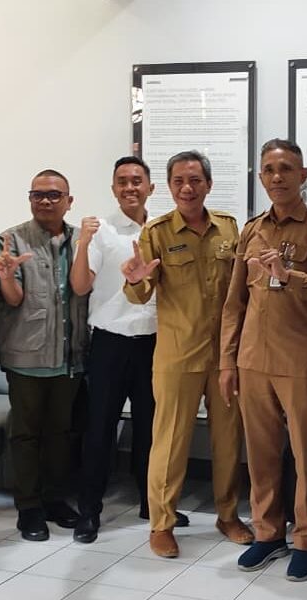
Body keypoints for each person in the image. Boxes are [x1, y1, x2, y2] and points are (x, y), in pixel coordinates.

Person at [220, 138, 307, 581]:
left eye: (287, 169)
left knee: (305, 454)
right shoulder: (252, 230)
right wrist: (227, 361)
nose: (277, 177)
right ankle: (268, 533)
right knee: (260, 454)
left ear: (303, 176)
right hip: (252, 359)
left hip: (298, 360)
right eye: (270, 170)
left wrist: (288, 275)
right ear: (261, 176)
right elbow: (234, 303)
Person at [114, 151, 253, 555]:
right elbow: (140, 293)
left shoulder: (229, 228)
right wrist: (135, 280)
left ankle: (228, 515)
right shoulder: (156, 232)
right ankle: (162, 523)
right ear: (170, 186)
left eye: (195, 180)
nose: (187, 188)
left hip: (225, 357)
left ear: (208, 184)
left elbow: (240, 289)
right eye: (178, 181)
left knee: (228, 441)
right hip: (178, 355)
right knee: (170, 441)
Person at [72, 155, 184, 543]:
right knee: (99, 429)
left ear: (150, 187)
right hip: (110, 343)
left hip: (154, 344)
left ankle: (152, 504)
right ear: (113, 188)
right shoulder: (101, 231)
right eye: (122, 181)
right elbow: (80, 286)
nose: (129, 187)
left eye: (137, 181)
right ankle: (89, 511)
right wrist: (83, 242)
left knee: (152, 429)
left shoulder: (164, 230)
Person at [0, 169, 89, 541]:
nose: (46, 201)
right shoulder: (11, 240)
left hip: (70, 356)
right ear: (30, 199)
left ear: (69, 201)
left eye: (54, 195)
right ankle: (29, 508)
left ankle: (54, 500)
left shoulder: (82, 240)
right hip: (27, 357)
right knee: (26, 435)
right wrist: (6, 276)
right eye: (38, 195)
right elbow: (14, 298)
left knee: (60, 434)